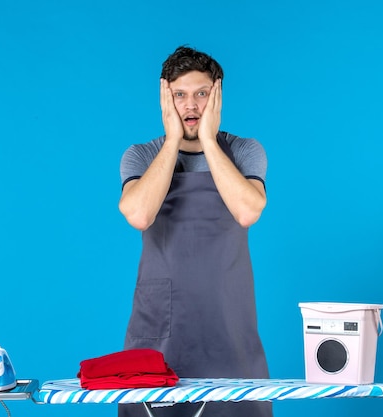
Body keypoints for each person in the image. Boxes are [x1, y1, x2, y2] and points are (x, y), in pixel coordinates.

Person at [118, 46, 273, 417]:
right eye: (180, 95)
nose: (191, 106)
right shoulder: (141, 156)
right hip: (160, 330)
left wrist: (208, 140)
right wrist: (172, 141)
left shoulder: (244, 151)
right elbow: (138, 214)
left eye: (202, 94)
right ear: (165, 97)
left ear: (217, 96)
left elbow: (248, 210)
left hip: (228, 328)